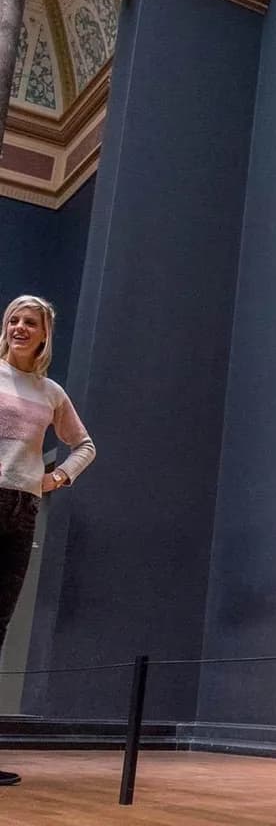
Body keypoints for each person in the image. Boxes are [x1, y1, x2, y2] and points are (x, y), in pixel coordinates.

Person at [0, 295, 95, 788]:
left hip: (21, 509)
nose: (19, 327)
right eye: (13, 319)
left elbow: (85, 445)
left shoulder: (51, 392)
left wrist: (55, 479)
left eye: (29, 322)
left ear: (43, 335)